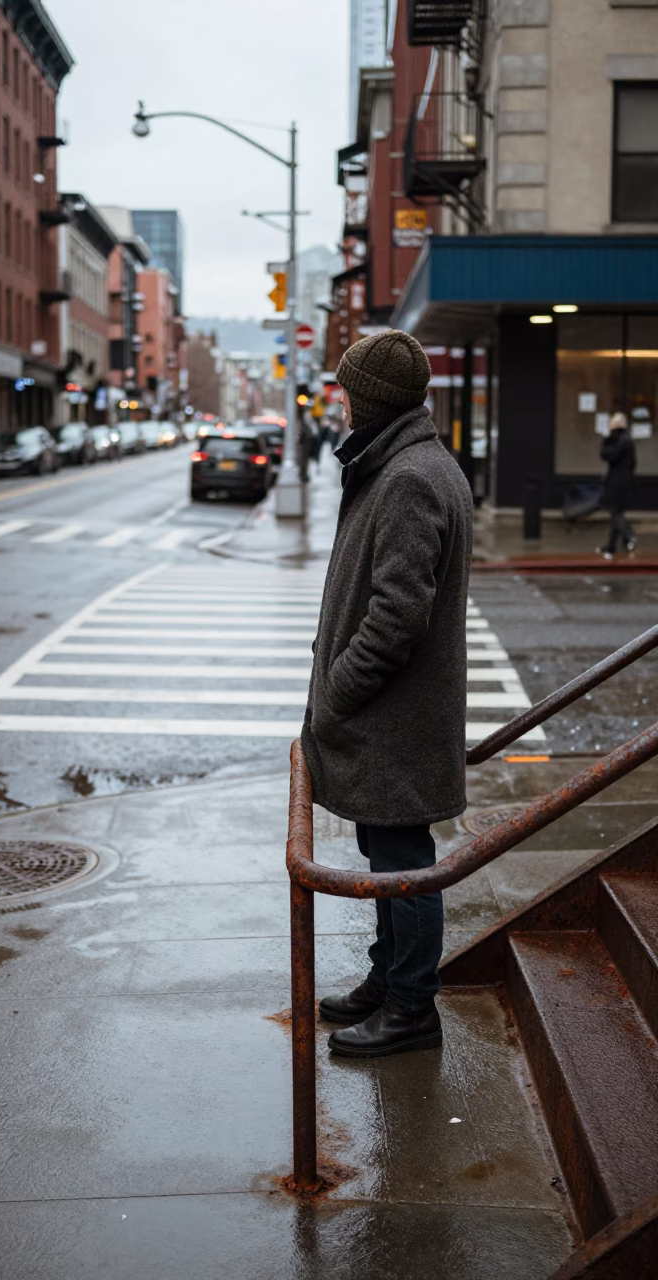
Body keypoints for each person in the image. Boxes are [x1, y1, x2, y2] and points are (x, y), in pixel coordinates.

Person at [301, 331, 473, 1058]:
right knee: (391, 857)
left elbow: (396, 619)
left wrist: (335, 696)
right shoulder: (411, 463)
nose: (340, 405)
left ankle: (411, 1009)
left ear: (367, 398)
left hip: (393, 720)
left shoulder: (407, 478)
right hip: (396, 719)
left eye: (346, 393)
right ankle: (388, 979)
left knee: (407, 866)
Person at [597, 412, 637, 559]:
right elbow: (633, 463)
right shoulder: (627, 440)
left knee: (615, 513)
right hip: (624, 481)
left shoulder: (621, 440)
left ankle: (629, 535)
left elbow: (608, 456)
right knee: (617, 512)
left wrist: (606, 440)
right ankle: (612, 546)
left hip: (616, 482)